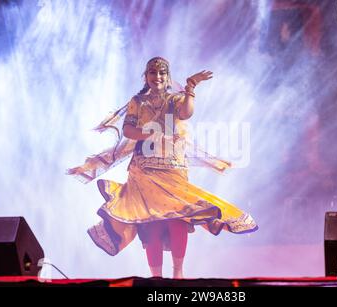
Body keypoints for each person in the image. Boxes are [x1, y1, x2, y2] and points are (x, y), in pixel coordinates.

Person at [68, 57, 258, 279]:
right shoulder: (137, 102)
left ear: (167, 76)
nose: (157, 77)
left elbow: (187, 113)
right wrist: (149, 133)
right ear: (146, 76)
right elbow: (128, 130)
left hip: (173, 168)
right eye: (152, 73)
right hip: (143, 169)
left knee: (178, 219)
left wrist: (191, 88)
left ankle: (178, 274)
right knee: (151, 224)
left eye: (161, 73)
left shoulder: (175, 99)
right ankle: (155, 278)